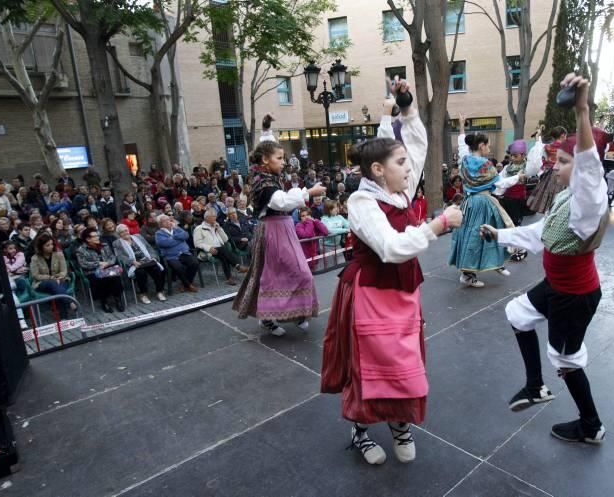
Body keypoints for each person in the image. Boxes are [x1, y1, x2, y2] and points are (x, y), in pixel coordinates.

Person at [320, 81, 463, 465]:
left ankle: (400, 423)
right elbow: (390, 248)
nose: (409, 167)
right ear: (379, 171)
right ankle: (361, 430)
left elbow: (415, 145)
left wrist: (406, 108)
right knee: (370, 363)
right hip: (370, 292)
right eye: (400, 164)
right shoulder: (363, 200)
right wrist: (437, 225)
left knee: (403, 361)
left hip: (402, 292)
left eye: (405, 163)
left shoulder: (396, 189)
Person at [482, 73, 610, 445]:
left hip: (575, 296)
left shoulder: (589, 198)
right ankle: (535, 386)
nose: (556, 166)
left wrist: (582, 110)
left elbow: (588, 166)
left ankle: (591, 425)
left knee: (566, 360)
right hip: (557, 286)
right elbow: (541, 235)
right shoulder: (566, 197)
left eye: (564, 161)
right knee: (517, 314)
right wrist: (500, 234)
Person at [232, 141, 326, 336]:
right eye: (279, 158)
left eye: (283, 158)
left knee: (300, 272)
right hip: (272, 230)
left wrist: (266, 127)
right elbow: (281, 202)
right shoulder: (263, 181)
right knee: (271, 276)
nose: (283, 162)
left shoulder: (268, 175)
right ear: (265, 160)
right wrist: (308, 192)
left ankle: (298, 312)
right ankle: (266, 318)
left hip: (284, 228)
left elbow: (268, 147)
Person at [448, 113, 516, 288]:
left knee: (475, 234)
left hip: (469, 203)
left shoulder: (465, 160)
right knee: (484, 234)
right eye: (487, 145)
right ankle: (469, 274)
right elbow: (500, 184)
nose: (489, 148)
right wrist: (519, 177)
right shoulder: (486, 165)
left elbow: (463, 146)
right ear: (481, 145)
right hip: (483, 203)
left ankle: (495, 263)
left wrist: (462, 127)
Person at [113, 224, 166, 304]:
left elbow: (149, 248)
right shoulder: (117, 243)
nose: (125, 233)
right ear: (119, 234)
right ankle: (143, 294)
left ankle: (159, 291)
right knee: (141, 273)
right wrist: (132, 262)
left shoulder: (138, 236)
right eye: (122, 232)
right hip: (134, 264)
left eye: (126, 230)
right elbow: (120, 257)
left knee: (157, 269)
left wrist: (153, 257)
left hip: (147, 260)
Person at [76, 228, 125, 313]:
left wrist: (107, 263)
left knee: (115, 277)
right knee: (100, 279)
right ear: (88, 239)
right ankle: (104, 301)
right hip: (92, 272)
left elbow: (112, 257)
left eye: (97, 235)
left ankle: (118, 299)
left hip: (108, 268)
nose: (97, 237)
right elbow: (83, 264)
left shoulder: (104, 245)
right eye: (94, 236)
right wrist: (98, 264)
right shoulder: (81, 250)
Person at [193, 208, 244, 285]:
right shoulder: (199, 228)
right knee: (224, 250)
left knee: (224, 255)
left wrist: (219, 229)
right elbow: (197, 243)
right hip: (208, 251)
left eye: (215, 216)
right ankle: (237, 266)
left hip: (220, 250)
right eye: (213, 216)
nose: (215, 218)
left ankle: (229, 278)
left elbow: (225, 239)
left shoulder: (216, 226)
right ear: (206, 218)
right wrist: (209, 248)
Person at [30, 234, 75, 316]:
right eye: (48, 245)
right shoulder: (35, 258)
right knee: (52, 283)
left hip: (61, 279)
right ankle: (70, 302)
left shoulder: (59, 254)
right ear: (41, 247)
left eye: (52, 244)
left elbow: (64, 271)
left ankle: (63, 316)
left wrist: (58, 278)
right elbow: (35, 275)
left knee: (56, 288)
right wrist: (52, 278)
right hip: (42, 283)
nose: (51, 246)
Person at [527, 126, 568, 213]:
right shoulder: (567, 147)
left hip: (549, 175)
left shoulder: (547, 147)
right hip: (563, 174)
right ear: (563, 135)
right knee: (561, 197)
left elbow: (538, 146)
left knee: (548, 197)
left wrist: (538, 136)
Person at [155, 214, 200, 292]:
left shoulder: (176, 229)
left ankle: (184, 284)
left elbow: (186, 235)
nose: (168, 222)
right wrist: (179, 239)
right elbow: (165, 243)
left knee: (194, 263)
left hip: (184, 252)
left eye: (168, 219)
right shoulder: (159, 233)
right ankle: (188, 285)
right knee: (179, 267)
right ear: (160, 224)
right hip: (171, 256)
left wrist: (173, 237)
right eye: (165, 221)